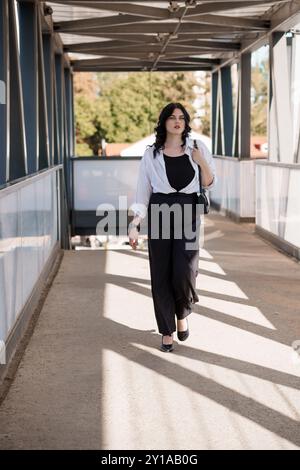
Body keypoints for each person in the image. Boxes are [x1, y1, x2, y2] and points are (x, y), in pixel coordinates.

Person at [128, 102, 217, 352]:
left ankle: (182, 313)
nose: (177, 121)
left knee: (185, 271)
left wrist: (201, 162)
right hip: (159, 211)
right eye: (172, 117)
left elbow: (210, 183)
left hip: (188, 212)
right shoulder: (151, 154)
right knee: (161, 273)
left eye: (182, 117)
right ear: (164, 122)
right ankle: (167, 331)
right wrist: (135, 224)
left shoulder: (198, 148)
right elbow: (142, 192)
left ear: (186, 122)